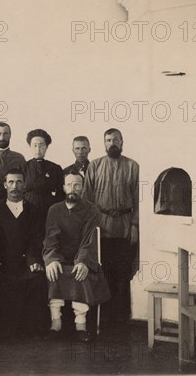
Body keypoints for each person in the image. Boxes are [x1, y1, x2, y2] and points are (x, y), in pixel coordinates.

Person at [43, 171, 111, 342]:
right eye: (69, 185)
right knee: (53, 272)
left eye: (77, 185)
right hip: (60, 258)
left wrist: (83, 262)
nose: (73, 189)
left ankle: (80, 325)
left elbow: (90, 239)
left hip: (82, 257)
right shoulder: (54, 210)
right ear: (64, 187)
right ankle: (55, 323)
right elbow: (51, 238)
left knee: (80, 273)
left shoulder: (91, 210)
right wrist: (51, 259)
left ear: (83, 188)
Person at [83, 128, 139, 325]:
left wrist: (134, 225)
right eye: (108, 140)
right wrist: (90, 229)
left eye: (116, 139)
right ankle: (104, 317)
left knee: (123, 273)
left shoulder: (133, 166)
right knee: (103, 273)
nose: (112, 143)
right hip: (101, 227)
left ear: (122, 141)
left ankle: (122, 318)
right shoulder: (95, 166)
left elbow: (138, 200)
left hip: (124, 226)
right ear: (104, 143)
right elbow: (86, 200)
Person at [0, 168, 48, 340]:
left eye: (19, 182)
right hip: (3, 262)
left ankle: (32, 331)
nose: (15, 186)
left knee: (37, 279)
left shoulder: (34, 211)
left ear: (25, 185)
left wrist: (34, 259)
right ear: (5, 185)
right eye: (11, 182)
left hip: (25, 261)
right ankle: (0, 332)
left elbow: (36, 239)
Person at [21, 129, 64, 213]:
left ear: (47, 147)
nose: (38, 149)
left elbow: (60, 194)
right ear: (30, 146)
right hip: (27, 209)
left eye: (41, 145)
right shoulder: (23, 167)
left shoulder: (55, 168)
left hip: (49, 209)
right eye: (35, 145)